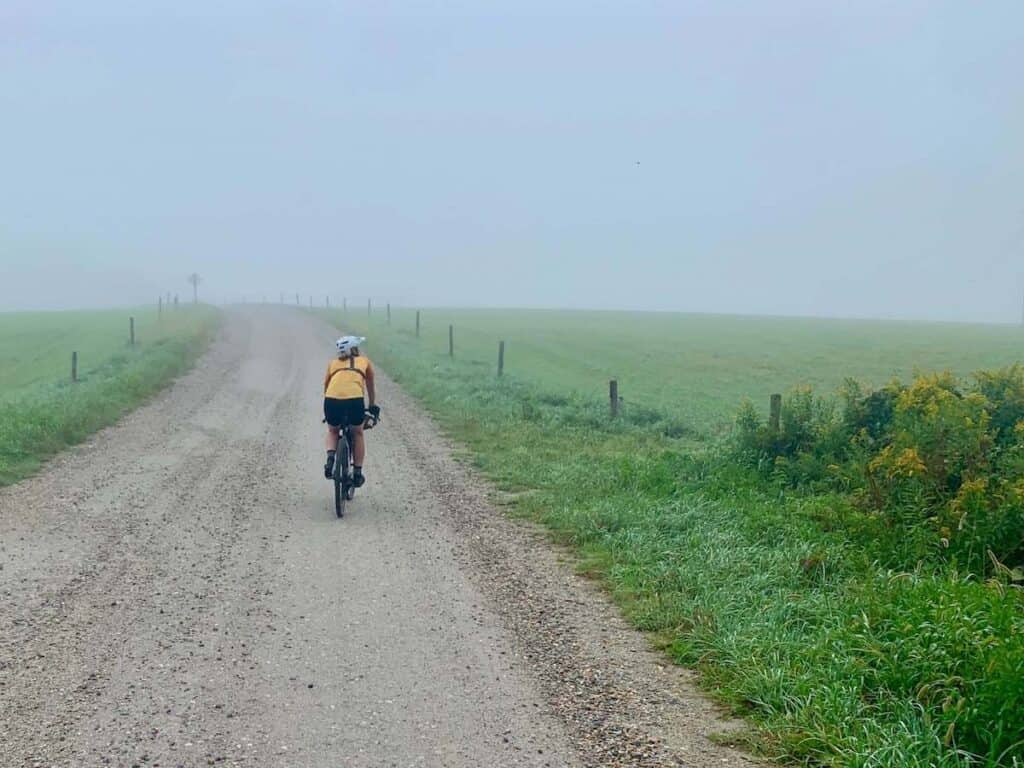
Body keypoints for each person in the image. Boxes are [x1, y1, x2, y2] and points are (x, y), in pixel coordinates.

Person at [323, 335, 380, 485]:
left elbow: (326, 386)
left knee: (332, 431)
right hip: (354, 400)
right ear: (355, 349)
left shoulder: (332, 364)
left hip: (331, 400)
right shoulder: (364, 361)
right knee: (358, 432)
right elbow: (370, 385)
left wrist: (328, 410)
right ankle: (357, 472)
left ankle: (330, 459)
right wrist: (372, 405)